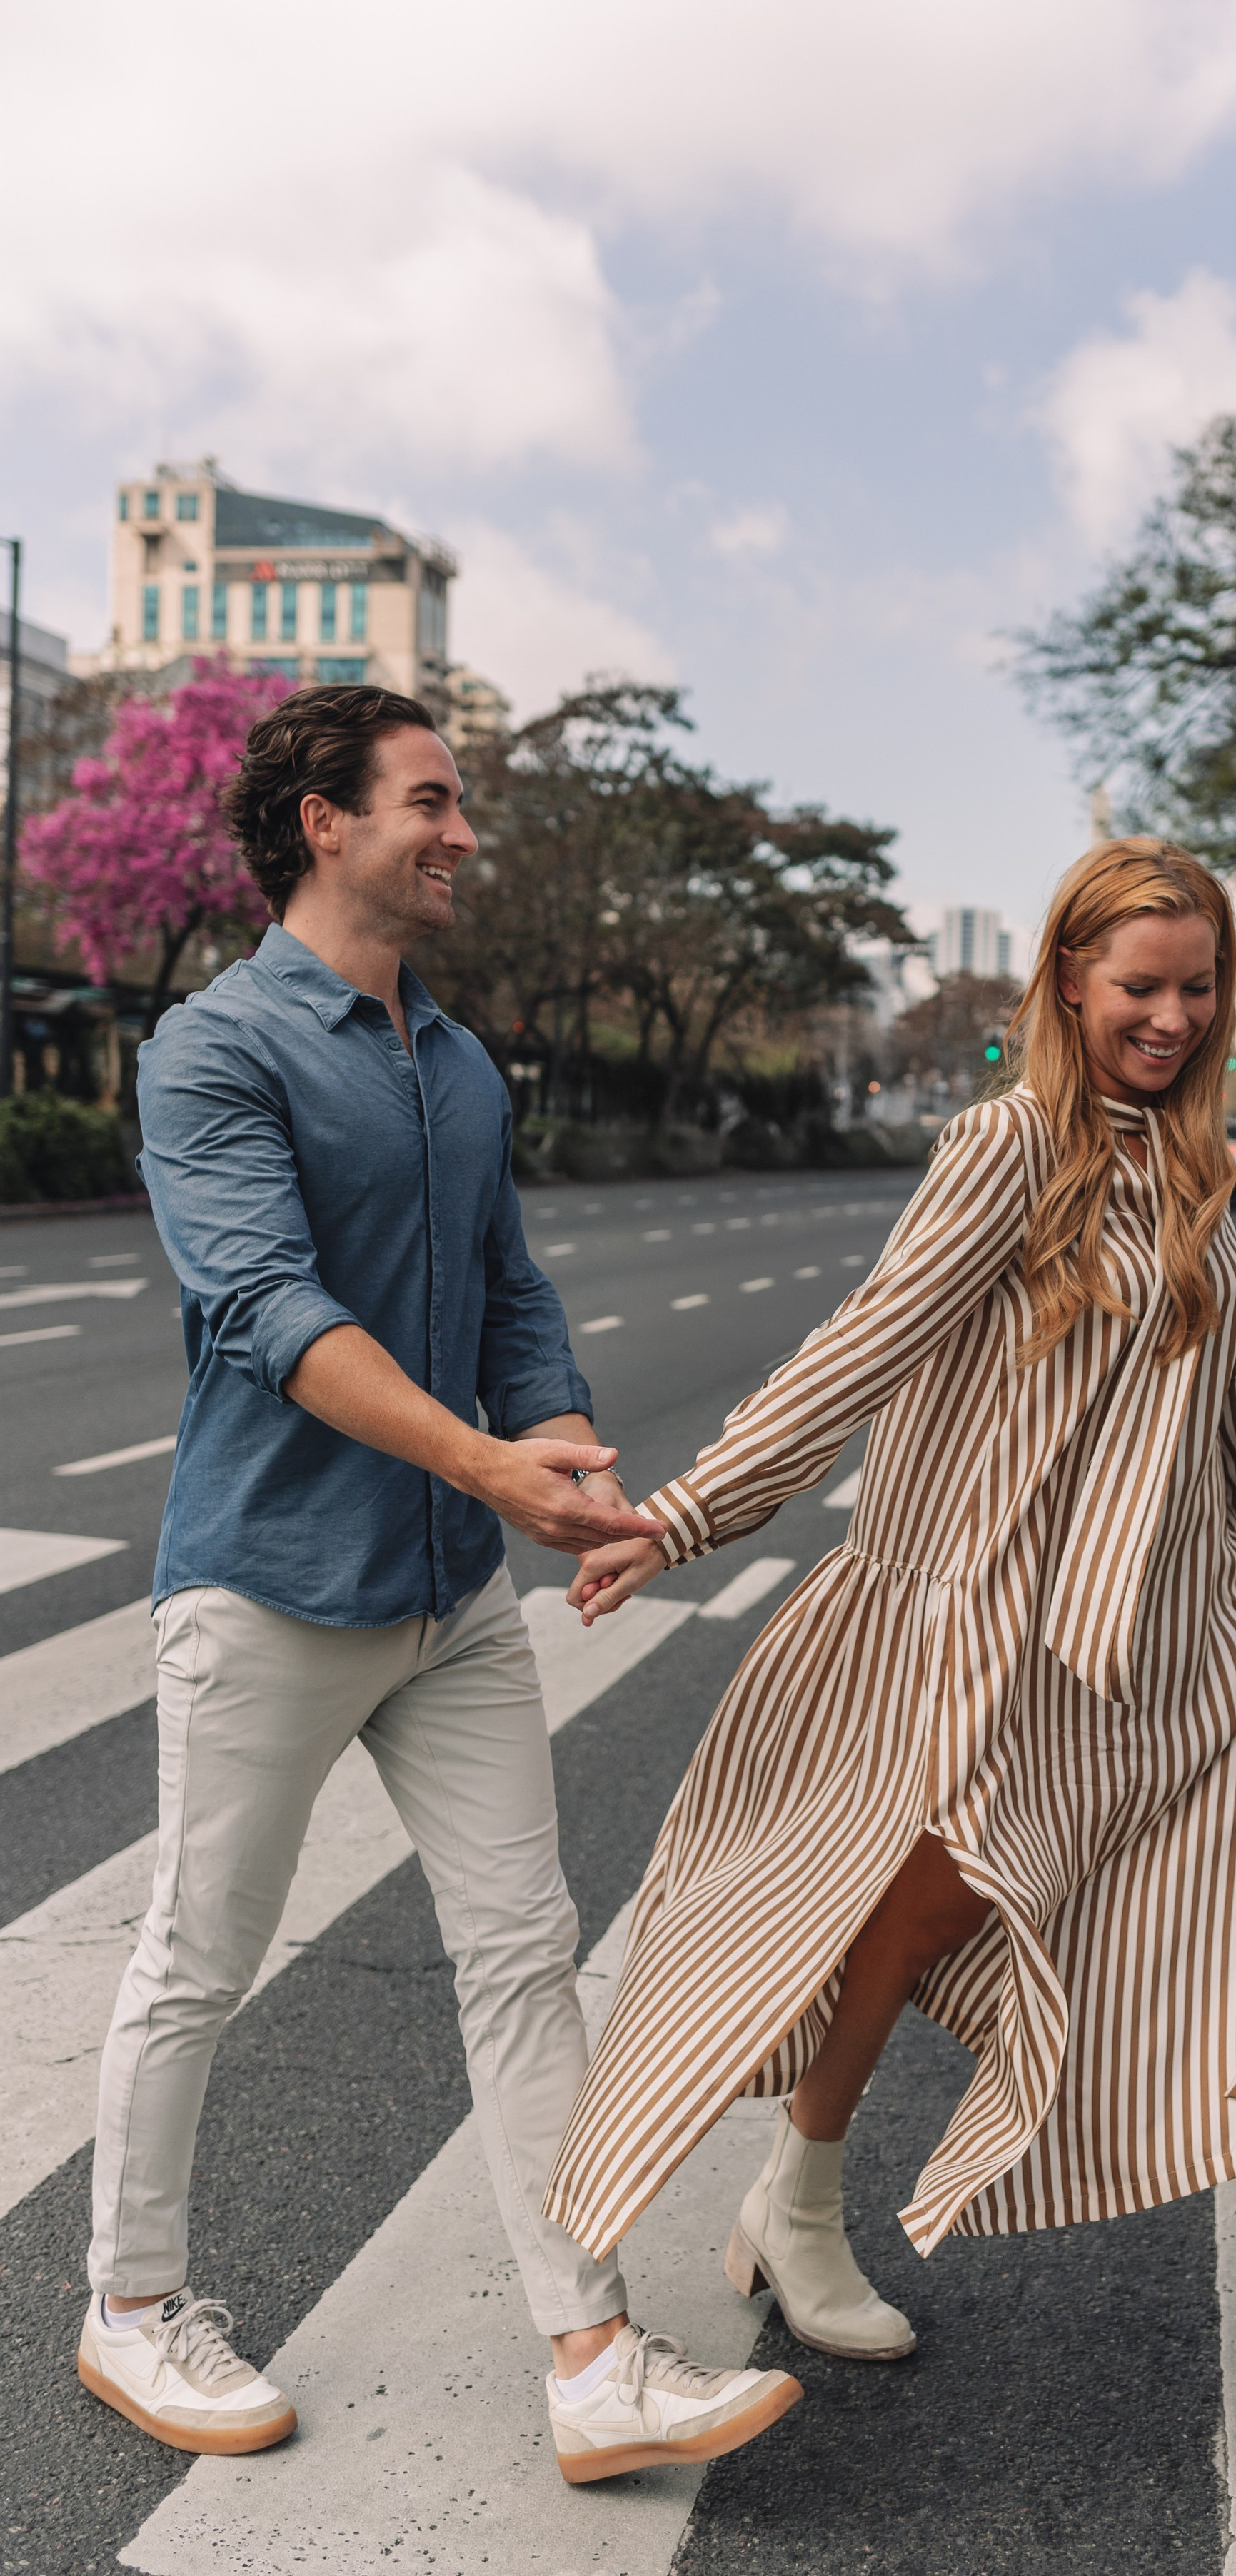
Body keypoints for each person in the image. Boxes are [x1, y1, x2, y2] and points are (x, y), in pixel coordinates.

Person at [546, 838, 1236, 2486]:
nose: (1172, 1015)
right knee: (911, 1910)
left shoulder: (1193, 1172)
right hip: (998, 1631)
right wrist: (690, 1511)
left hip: (1179, 1640)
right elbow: (860, 1343)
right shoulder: (1008, 1148)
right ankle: (794, 2203)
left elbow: (1221, 1410)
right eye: (1140, 985)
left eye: (1197, 987)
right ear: (1065, 983)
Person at [79, 685, 800, 2487]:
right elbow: (265, 1316)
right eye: (431, 800)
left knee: (522, 1952)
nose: (461, 831)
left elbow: (506, 1292)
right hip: (265, 1583)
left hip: (446, 1598)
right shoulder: (214, 1048)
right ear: (323, 821)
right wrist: (484, 1464)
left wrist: (569, 1456)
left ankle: (591, 2355)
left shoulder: (460, 1060)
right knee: (199, 1956)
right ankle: (128, 2304)